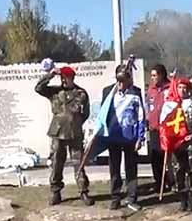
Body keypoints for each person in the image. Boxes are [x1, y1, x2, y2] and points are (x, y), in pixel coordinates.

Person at [36, 66, 92, 206]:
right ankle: (56, 192)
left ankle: (83, 191)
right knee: (56, 162)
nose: (63, 80)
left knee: (79, 162)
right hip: (57, 132)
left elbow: (86, 113)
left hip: (74, 133)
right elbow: (38, 88)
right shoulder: (55, 91)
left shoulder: (81, 93)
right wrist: (50, 75)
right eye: (61, 77)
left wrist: (75, 123)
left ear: (72, 78)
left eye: (65, 77)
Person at [96, 64, 146, 210]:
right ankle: (115, 197)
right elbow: (102, 115)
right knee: (114, 168)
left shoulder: (136, 92)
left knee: (131, 168)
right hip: (113, 136)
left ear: (129, 79)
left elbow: (141, 116)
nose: (121, 83)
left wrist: (140, 138)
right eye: (119, 79)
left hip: (130, 137)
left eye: (124, 80)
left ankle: (131, 197)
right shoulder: (108, 92)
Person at [170, 78, 192, 213]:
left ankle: (191, 200)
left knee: (191, 172)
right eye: (180, 88)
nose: (182, 90)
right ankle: (182, 200)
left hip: (190, 143)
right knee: (178, 171)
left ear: (189, 90)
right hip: (177, 144)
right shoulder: (172, 105)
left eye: (185, 88)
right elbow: (166, 125)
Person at [146, 64, 173, 190]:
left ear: (162, 75)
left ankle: (171, 181)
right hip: (154, 128)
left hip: (167, 128)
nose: (153, 78)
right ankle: (158, 182)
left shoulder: (170, 87)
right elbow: (148, 106)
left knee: (167, 157)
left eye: (155, 75)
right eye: (151, 76)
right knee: (155, 156)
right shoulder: (151, 89)